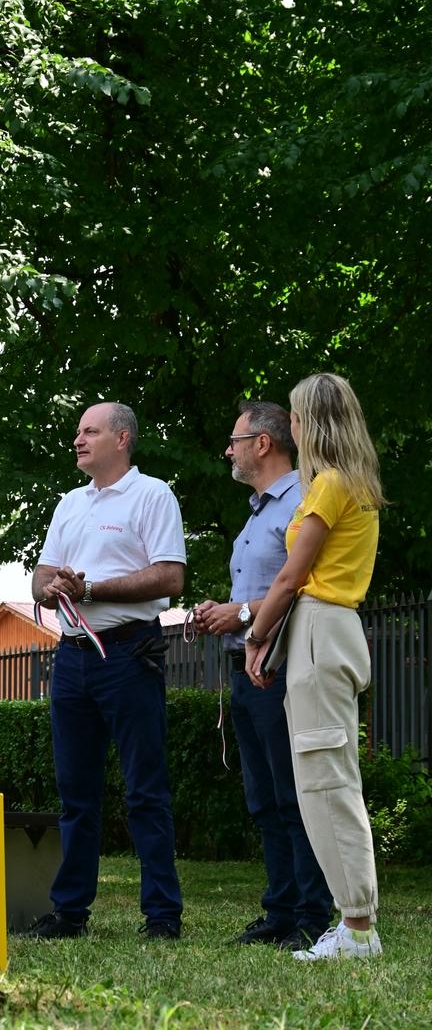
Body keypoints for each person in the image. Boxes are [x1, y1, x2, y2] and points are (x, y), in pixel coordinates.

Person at [25, 401, 186, 940]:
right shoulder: (69, 503)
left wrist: (90, 588)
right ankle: (70, 913)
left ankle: (161, 915)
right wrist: (50, 588)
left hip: (128, 653)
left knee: (145, 790)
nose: (78, 439)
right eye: (78, 431)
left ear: (122, 438)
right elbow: (40, 577)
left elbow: (170, 577)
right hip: (71, 655)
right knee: (75, 793)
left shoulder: (153, 495)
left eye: (89, 431)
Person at [245, 373, 384, 961]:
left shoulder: (329, 485)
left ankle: (357, 929)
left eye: (296, 417)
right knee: (328, 780)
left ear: (312, 422)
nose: (292, 427)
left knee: (326, 783)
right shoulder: (351, 483)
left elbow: (290, 576)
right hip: (329, 631)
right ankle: (354, 924)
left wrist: (256, 637)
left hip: (320, 631)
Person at [194, 402, 332, 951]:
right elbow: (262, 593)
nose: (228, 450)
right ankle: (280, 910)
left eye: (235, 441)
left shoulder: (302, 503)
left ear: (263, 443)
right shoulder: (257, 512)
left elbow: (301, 585)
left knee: (294, 796)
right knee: (264, 799)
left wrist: (243, 615)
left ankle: (311, 915)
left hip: (282, 669)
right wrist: (223, 612)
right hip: (247, 671)